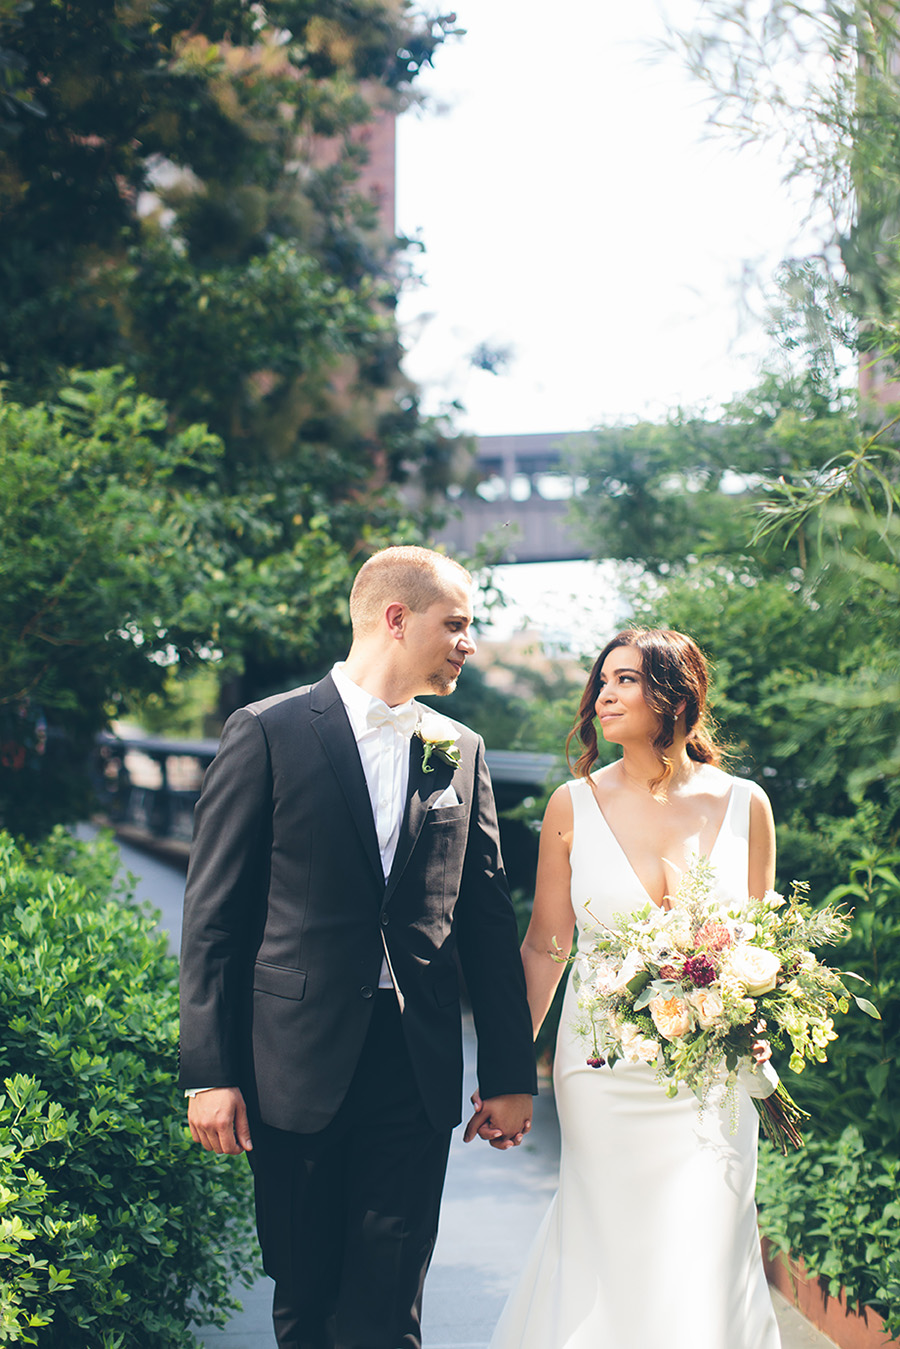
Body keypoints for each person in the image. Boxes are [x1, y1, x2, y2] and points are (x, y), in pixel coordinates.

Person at [178, 545, 536, 1349]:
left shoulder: (457, 748)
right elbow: (213, 919)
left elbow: (483, 919)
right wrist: (210, 1072)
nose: (468, 644)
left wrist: (510, 1074)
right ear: (396, 617)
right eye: (457, 625)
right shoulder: (267, 731)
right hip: (290, 1065)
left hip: (413, 1066)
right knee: (306, 1297)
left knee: (389, 1303)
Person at [487, 627, 782, 1349]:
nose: (604, 695)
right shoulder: (571, 804)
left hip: (714, 1072)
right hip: (601, 1071)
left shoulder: (746, 804)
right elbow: (546, 947)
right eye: (602, 681)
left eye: (626, 679)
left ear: (674, 694)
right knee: (610, 1246)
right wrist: (503, 1070)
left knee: (709, 1247)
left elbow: (766, 947)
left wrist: (763, 1015)